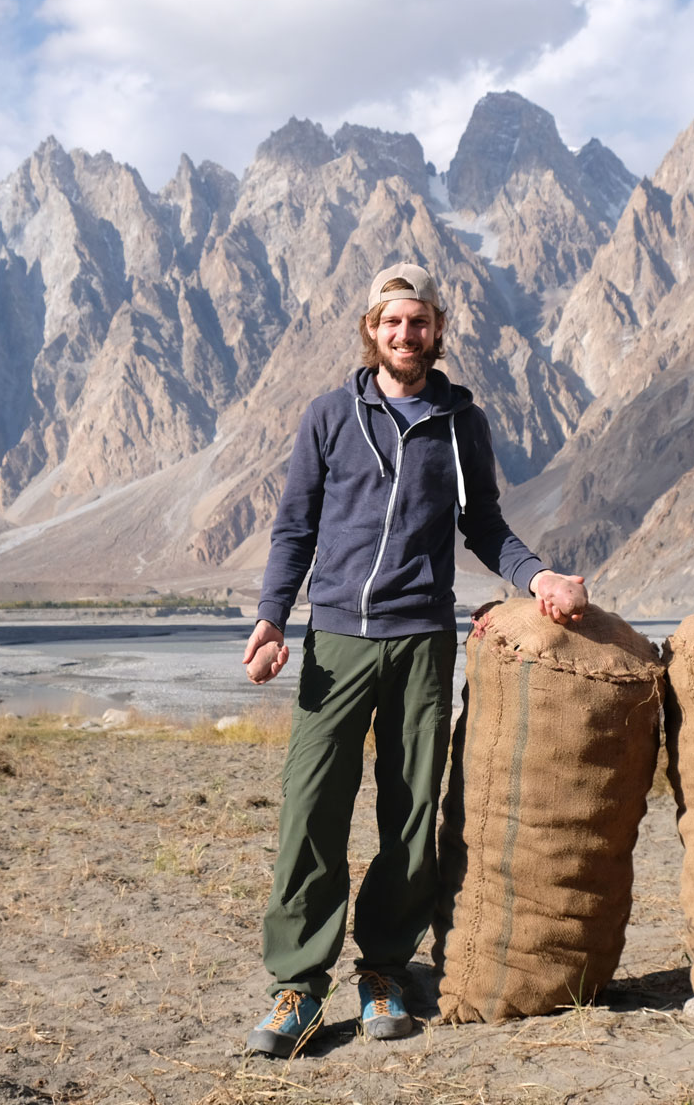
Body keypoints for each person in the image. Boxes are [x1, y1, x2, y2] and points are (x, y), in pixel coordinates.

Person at [241, 260, 588, 1057]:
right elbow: (295, 527)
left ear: (438, 328)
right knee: (313, 809)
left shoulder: (461, 422)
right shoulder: (331, 415)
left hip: (422, 643)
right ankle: (297, 982)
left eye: (419, 320)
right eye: (391, 321)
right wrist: (271, 620)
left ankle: (386, 971)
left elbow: (487, 526)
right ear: (372, 329)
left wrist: (537, 579)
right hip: (336, 639)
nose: (406, 334)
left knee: (409, 813)